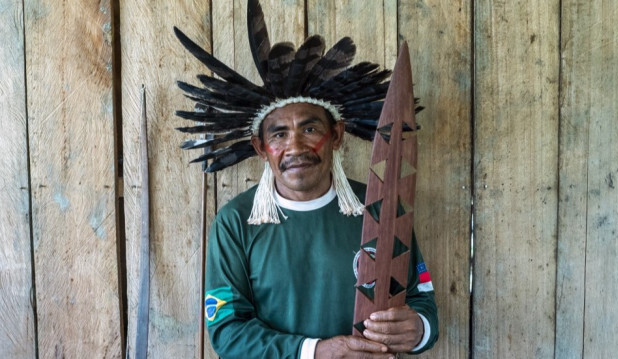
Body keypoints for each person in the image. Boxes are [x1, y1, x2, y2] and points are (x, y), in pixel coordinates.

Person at [172, 1, 438, 357]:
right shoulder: (235, 223)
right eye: (279, 134)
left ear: (338, 134)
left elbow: (422, 301)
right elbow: (228, 333)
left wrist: (418, 329)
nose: (294, 146)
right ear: (260, 147)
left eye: (310, 128)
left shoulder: (381, 206)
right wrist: (314, 352)